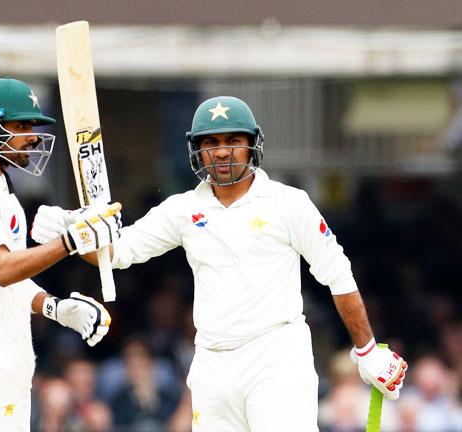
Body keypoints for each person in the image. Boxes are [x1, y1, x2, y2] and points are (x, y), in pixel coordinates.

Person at [31, 96, 408, 431]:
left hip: (276, 355)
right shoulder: (184, 209)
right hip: (213, 363)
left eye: (233, 141)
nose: (223, 152)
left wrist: (367, 350)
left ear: (252, 145)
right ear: (197, 151)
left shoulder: (288, 203)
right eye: (211, 143)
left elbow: (337, 274)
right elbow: (118, 252)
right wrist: (69, 236)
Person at [0, 77, 118, 432]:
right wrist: (71, 241)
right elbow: (2, 268)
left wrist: (54, 307)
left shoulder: (1, 190)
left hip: (1, 371)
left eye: (32, 125)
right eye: (21, 126)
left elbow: (8, 280)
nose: (32, 135)